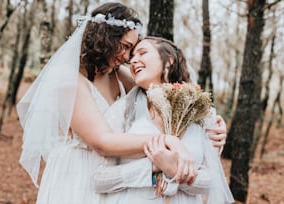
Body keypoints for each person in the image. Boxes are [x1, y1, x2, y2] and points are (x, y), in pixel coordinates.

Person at [16, 2, 227, 204]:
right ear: (106, 37)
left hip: (115, 174)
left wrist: (212, 124)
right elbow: (102, 142)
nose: (127, 57)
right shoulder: (68, 80)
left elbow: (162, 88)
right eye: (125, 47)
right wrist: (168, 142)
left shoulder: (117, 75)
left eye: (133, 50)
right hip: (77, 172)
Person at [93, 36, 234, 204]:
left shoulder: (201, 113)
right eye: (132, 58)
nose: (134, 61)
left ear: (169, 61)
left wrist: (173, 170)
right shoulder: (122, 111)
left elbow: (210, 182)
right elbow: (99, 179)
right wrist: (152, 167)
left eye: (142, 53)